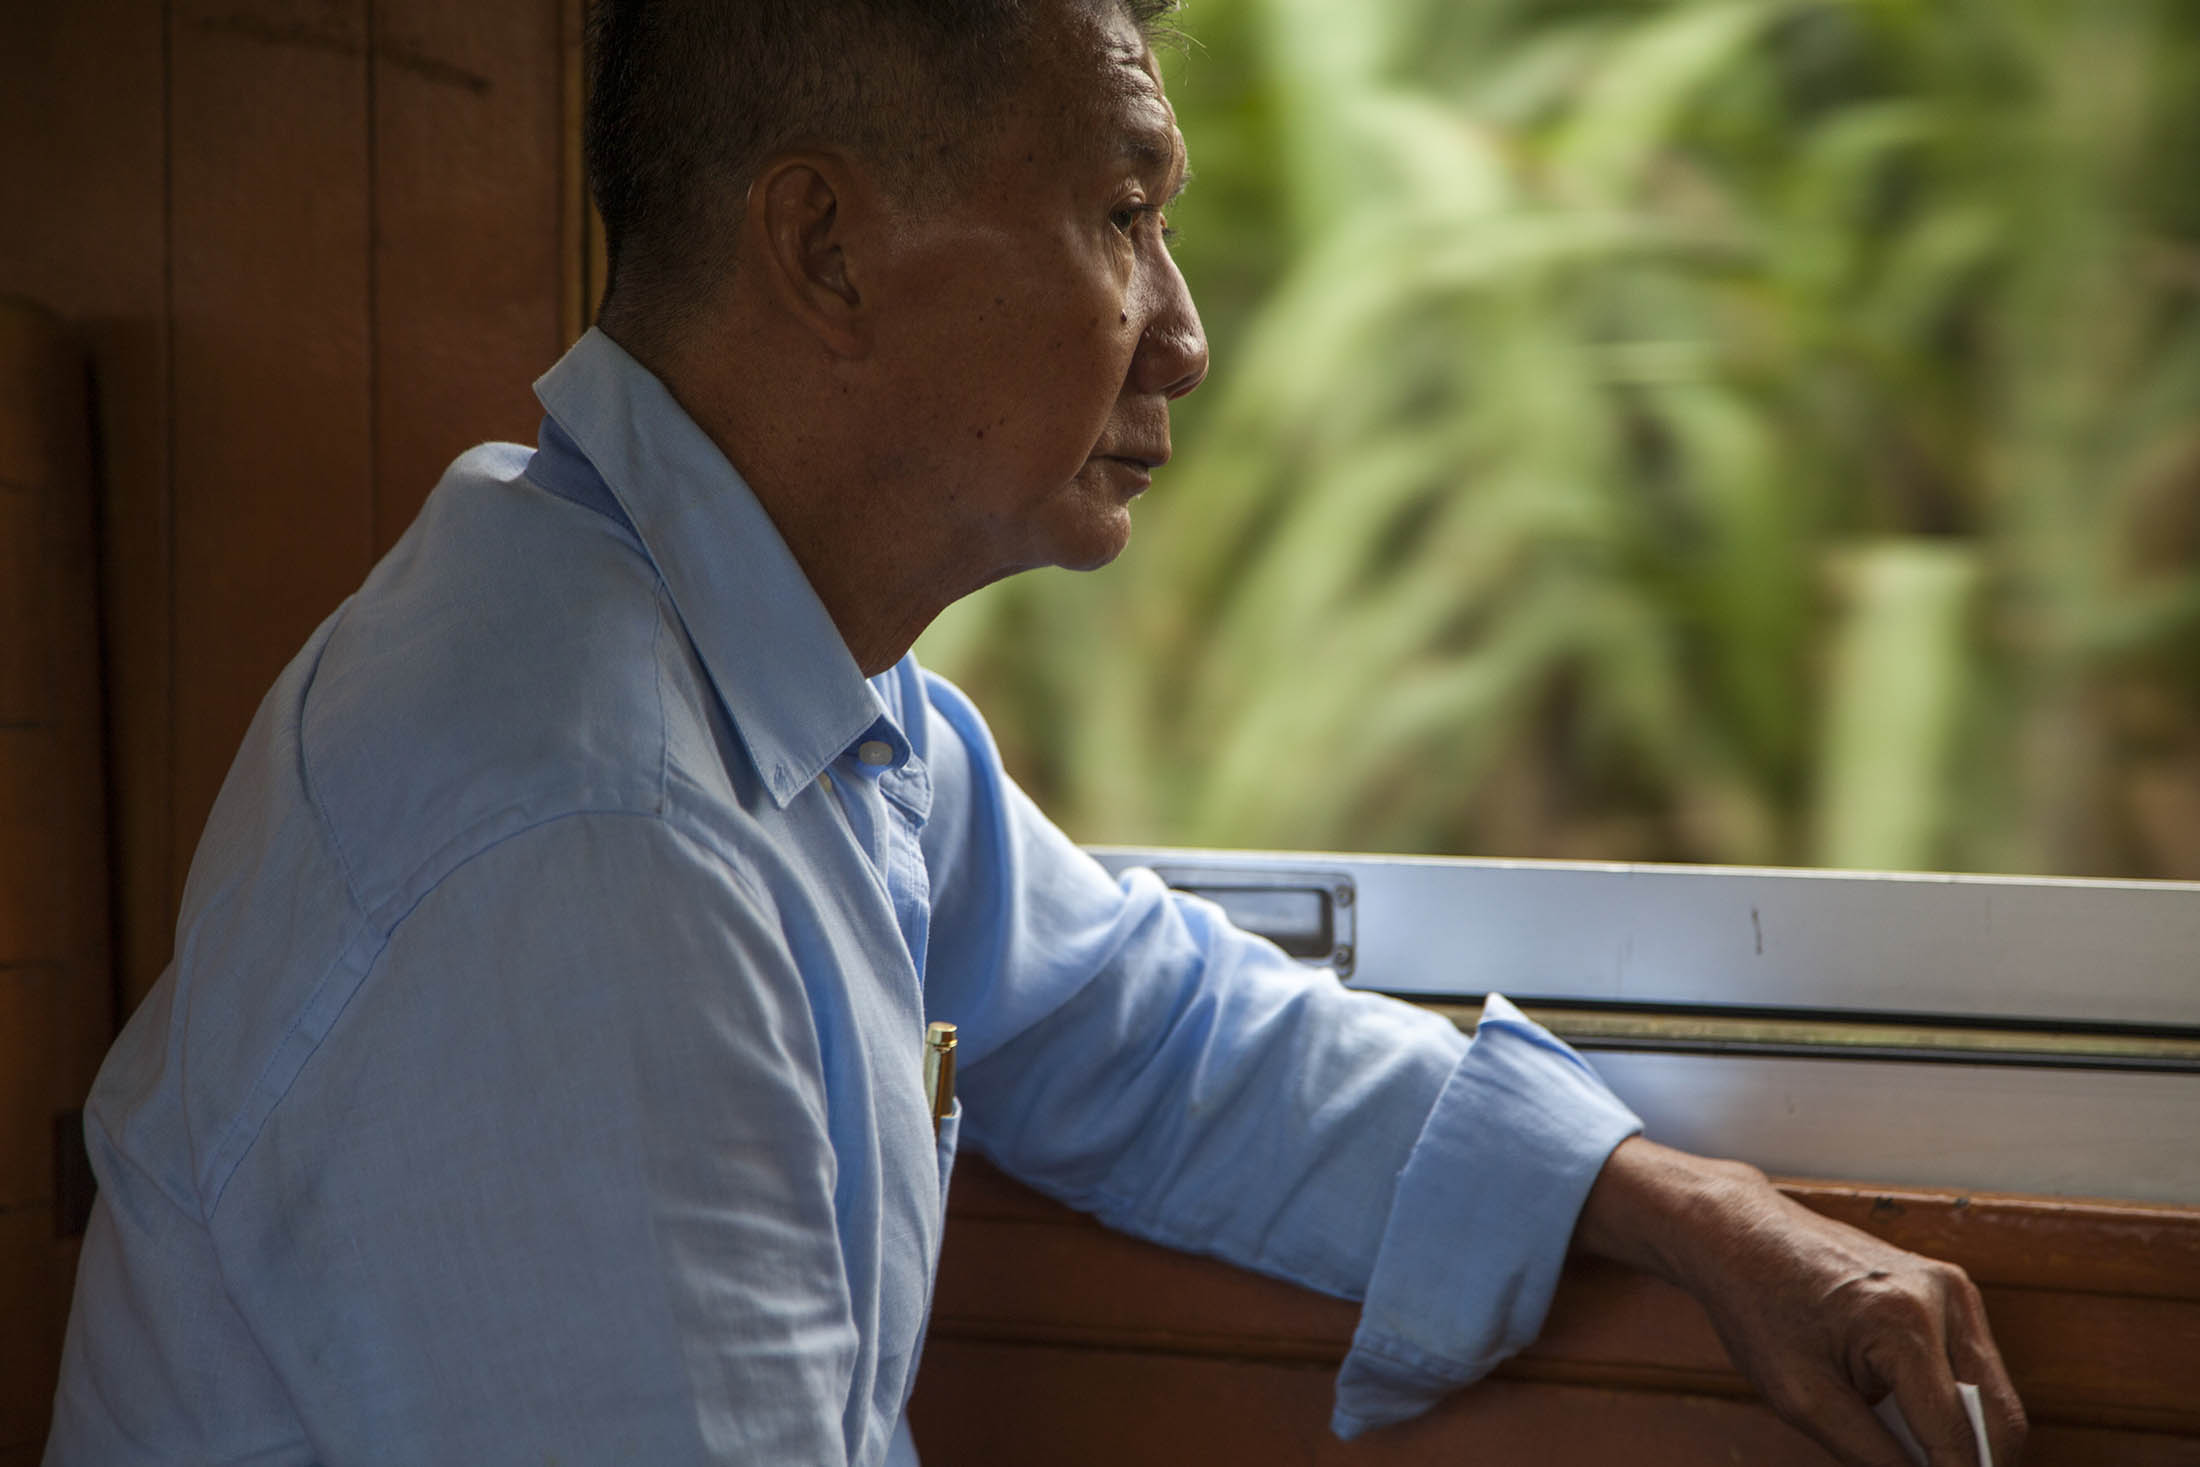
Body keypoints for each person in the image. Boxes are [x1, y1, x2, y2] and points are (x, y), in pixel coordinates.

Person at [46, 1, 2025, 1464]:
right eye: (1117, 211)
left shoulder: (770, 656)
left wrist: (1696, 1209)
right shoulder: (585, 837)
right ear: (822, 250)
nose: (1180, 329)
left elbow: (1149, 1025)